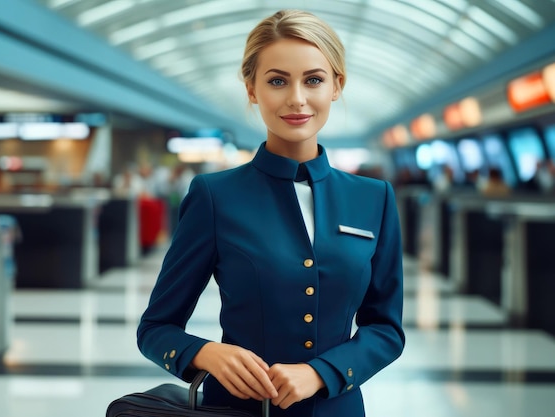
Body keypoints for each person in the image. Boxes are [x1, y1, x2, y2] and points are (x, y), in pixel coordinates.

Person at [137, 9, 405, 417]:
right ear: (251, 89)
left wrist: (321, 373)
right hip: (237, 410)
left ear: (337, 85)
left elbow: (386, 329)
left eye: (313, 80)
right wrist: (207, 354)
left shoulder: (375, 198)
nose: (296, 98)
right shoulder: (214, 195)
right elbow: (156, 328)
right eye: (277, 81)